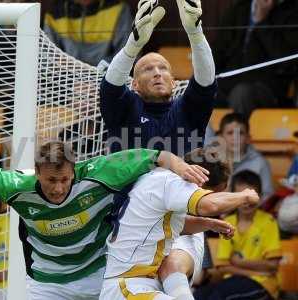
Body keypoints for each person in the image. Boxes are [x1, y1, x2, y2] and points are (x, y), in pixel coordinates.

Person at [0, 141, 208, 300]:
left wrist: (180, 166)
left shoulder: (98, 173)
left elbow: (154, 155)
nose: (58, 188)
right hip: (47, 282)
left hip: (97, 273)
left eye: (64, 179)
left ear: (74, 171)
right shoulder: (15, 185)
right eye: (51, 180)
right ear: (37, 172)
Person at [100, 0, 217, 298]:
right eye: (147, 69)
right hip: (131, 225)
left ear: (173, 79)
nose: (157, 73)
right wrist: (133, 44)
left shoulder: (187, 110)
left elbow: (205, 81)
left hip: (182, 221)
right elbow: (111, 87)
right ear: (135, 84)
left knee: (172, 268)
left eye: (163, 68)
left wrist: (195, 31)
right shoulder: (126, 107)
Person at [100, 148, 261, 300]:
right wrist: (245, 196)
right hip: (128, 286)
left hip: (141, 283)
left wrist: (208, 224)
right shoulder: (172, 183)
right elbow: (210, 205)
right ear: (200, 185)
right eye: (215, 192)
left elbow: (170, 225)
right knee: (173, 265)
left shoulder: (158, 179)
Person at [194, 170, 282, 300]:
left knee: (219, 297)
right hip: (233, 280)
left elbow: (272, 265)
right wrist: (255, 271)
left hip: (263, 284)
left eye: (251, 196)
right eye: (242, 196)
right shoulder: (228, 222)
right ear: (234, 197)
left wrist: (238, 262)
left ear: (261, 196)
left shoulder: (269, 222)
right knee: (199, 295)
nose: (247, 202)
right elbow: (223, 267)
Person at [213, 0, 298, 118]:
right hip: (229, 81)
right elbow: (217, 52)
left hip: (267, 88)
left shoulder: (291, 12)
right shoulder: (238, 9)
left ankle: (238, 136)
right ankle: (204, 136)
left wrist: (262, 23)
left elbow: (287, 61)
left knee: (241, 94)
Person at [43, 0, 133, 66]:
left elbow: (129, 57)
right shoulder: (54, 14)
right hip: (65, 85)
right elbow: (47, 61)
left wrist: (97, 81)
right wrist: (72, 82)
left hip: (108, 84)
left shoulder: (118, 9)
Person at [217, 112, 274, 198]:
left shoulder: (260, 163)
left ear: (248, 138)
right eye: (230, 133)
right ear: (220, 137)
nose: (235, 138)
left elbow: (267, 196)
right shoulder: (212, 161)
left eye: (240, 133)